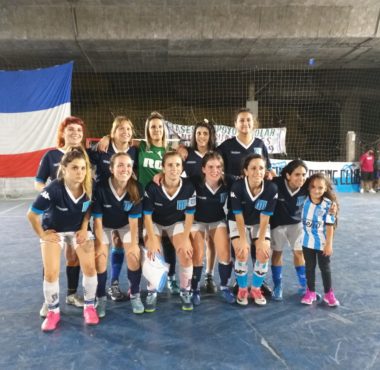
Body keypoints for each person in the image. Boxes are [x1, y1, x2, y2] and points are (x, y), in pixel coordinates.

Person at [27, 149, 99, 332]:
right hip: (54, 231)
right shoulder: (54, 188)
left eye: (83, 168)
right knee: (51, 272)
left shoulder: (90, 186)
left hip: (77, 230)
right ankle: (53, 312)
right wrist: (43, 235)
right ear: (65, 169)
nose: (80, 172)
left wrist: (84, 227)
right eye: (75, 168)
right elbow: (32, 214)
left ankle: (89, 307)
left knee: (90, 267)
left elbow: (88, 208)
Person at [217, 108, 275, 297]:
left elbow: (268, 169)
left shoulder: (259, 144)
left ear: (254, 123)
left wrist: (269, 174)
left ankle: (259, 281)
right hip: (236, 197)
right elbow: (214, 163)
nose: (245, 124)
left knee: (259, 244)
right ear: (235, 124)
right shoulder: (226, 146)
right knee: (239, 243)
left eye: (248, 120)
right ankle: (238, 279)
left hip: (256, 197)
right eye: (241, 120)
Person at [34, 116, 89, 317]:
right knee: (51, 260)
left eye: (79, 130)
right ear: (63, 133)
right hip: (53, 218)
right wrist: (49, 194)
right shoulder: (51, 156)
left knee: (73, 255)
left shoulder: (86, 156)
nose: (75, 133)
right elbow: (38, 182)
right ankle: (49, 301)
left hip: (76, 216)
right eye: (71, 129)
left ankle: (72, 294)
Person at [90, 116, 138, 301]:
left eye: (128, 129)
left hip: (127, 204)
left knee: (123, 245)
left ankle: (115, 284)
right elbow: (82, 157)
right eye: (121, 129)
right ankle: (100, 292)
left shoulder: (135, 150)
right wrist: (104, 138)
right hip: (103, 204)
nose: (125, 132)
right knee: (100, 251)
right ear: (113, 132)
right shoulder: (103, 148)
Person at [92, 153, 144, 317]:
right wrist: (100, 243)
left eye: (128, 165)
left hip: (126, 224)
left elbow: (134, 221)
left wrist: (134, 244)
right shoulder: (100, 188)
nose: (125, 169)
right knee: (100, 256)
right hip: (105, 225)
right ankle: (100, 298)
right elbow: (98, 220)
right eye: (120, 165)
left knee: (134, 254)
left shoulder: (136, 187)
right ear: (111, 168)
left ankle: (135, 294)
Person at [143, 151, 196, 312]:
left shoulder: (188, 187)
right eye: (170, 165)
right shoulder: (153, 187)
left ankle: (185, 291)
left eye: (178, 165)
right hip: (155, 223)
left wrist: (185, 239)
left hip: (176, 223)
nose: (174, 168)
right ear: (163, 168)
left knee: (186, 253)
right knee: (153, 253)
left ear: (182, 168)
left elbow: (189, 216)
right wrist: (152, 239)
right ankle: (151, 291)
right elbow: (147, 216)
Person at [229, 154, 278, 306]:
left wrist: (262, 241)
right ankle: (242, 288)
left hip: (259, 223)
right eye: (253, 168)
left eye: (261, 168)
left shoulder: (271, 188)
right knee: (242, 251)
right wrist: (243, 240)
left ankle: (256, 289)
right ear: (246, 171)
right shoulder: (237, 186)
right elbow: (238, 215)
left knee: (264, 254)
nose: (258, 172)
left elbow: (265, 217)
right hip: (238, 221)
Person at [177, 120, 219, 294]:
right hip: (193, 207)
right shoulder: (187, 154)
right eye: (199, 133)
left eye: (205, 133)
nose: (202, 136)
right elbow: (173, 167)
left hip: (214, 205)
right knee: (197, 245)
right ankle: (193, 279)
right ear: (194, 136)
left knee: (212, 242)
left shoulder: (217, 153)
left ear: (210, 136)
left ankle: (209, 276)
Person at [189, 151, 235, 305]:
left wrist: (270, 175)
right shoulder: (194, 182)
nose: (215, 170)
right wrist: (160, 176)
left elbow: (247, 181)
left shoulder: (228, 181)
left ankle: (224, 286)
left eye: (218, 167)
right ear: (203, 169)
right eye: (210, 167)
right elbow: (175, 181)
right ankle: (194, 289)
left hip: (217, 220)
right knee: (198, 253)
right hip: (197, 220)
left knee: (225, 253)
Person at [270, 160, 308, 301]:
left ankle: (305, 286)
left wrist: (332, 205)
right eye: (297, 174)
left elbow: (324, 191)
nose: (301, 178)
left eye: (304, 174)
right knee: (277, 254)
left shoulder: (307, 186)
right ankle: (278, 285)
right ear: (288, 175)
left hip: (296, 224)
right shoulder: (275, 183)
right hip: (277, 224)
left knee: (299, 253)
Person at [300, 173, 340, 307]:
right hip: (306, 243)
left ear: (325, 189)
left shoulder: (328, 205)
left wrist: (329, 244)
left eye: (320, 188)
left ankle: (329, 294)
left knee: (325, 268)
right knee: (309, 268)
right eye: (313, 187)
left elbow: (330, 227)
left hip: (322, 244)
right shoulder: (304, 200)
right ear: (308, 187)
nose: (316, 190)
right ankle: (310, 292)